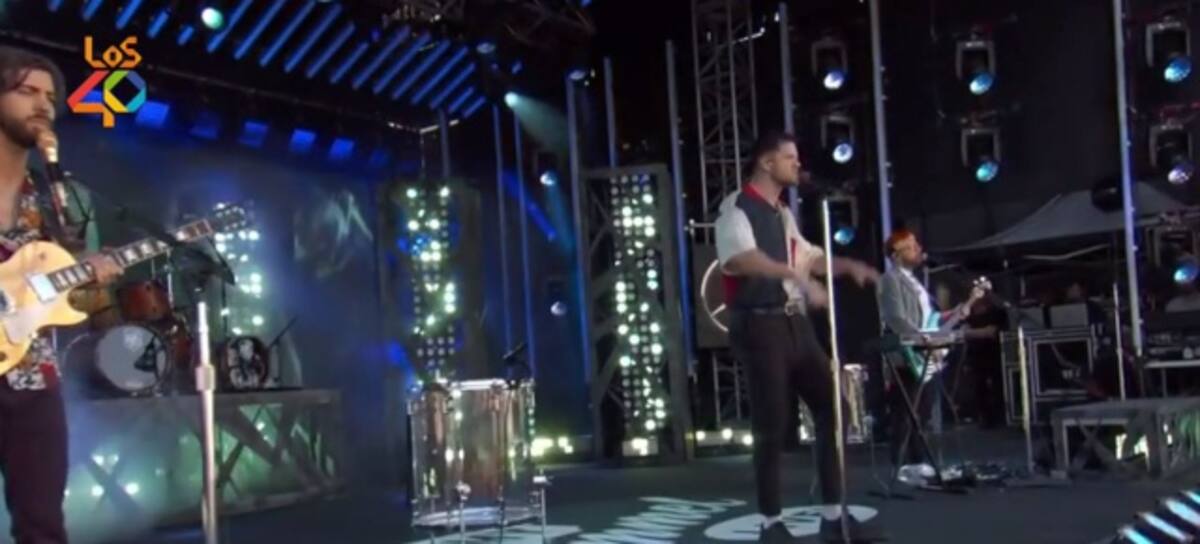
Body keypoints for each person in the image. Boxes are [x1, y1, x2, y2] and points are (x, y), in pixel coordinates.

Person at [715, 131, 885, 543]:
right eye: (789, 157)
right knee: (772, 423)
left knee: (834, 407)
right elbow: (742, 259)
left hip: (794, 324)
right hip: (759, 323)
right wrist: (796, 277)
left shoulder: (782, 213)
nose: (797, 164)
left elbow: (808, 256)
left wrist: (848, 267)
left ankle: (833, 516)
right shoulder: (736, 207)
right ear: (767, 163)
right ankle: (770, 523)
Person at [0, 46, 124, 543]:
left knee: (43, 526)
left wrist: (93, 281)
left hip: (34, 377)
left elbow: (73, 307)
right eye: (26, 91)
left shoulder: (53, 198)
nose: (42, 105)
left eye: (50, 97)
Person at [876, 230, 989, 482]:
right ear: (896, 255)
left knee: (923, 409)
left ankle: (917, 462)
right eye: (911, 246)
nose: (918, 249)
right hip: (908, 353)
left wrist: (961, 308)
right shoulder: (890, 279)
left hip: (923, 349)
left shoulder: (916, 283)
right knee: (906, 410)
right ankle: (903, 464)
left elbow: (932, 319)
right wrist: (922, 339)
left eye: (916, 244)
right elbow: (895, 317)